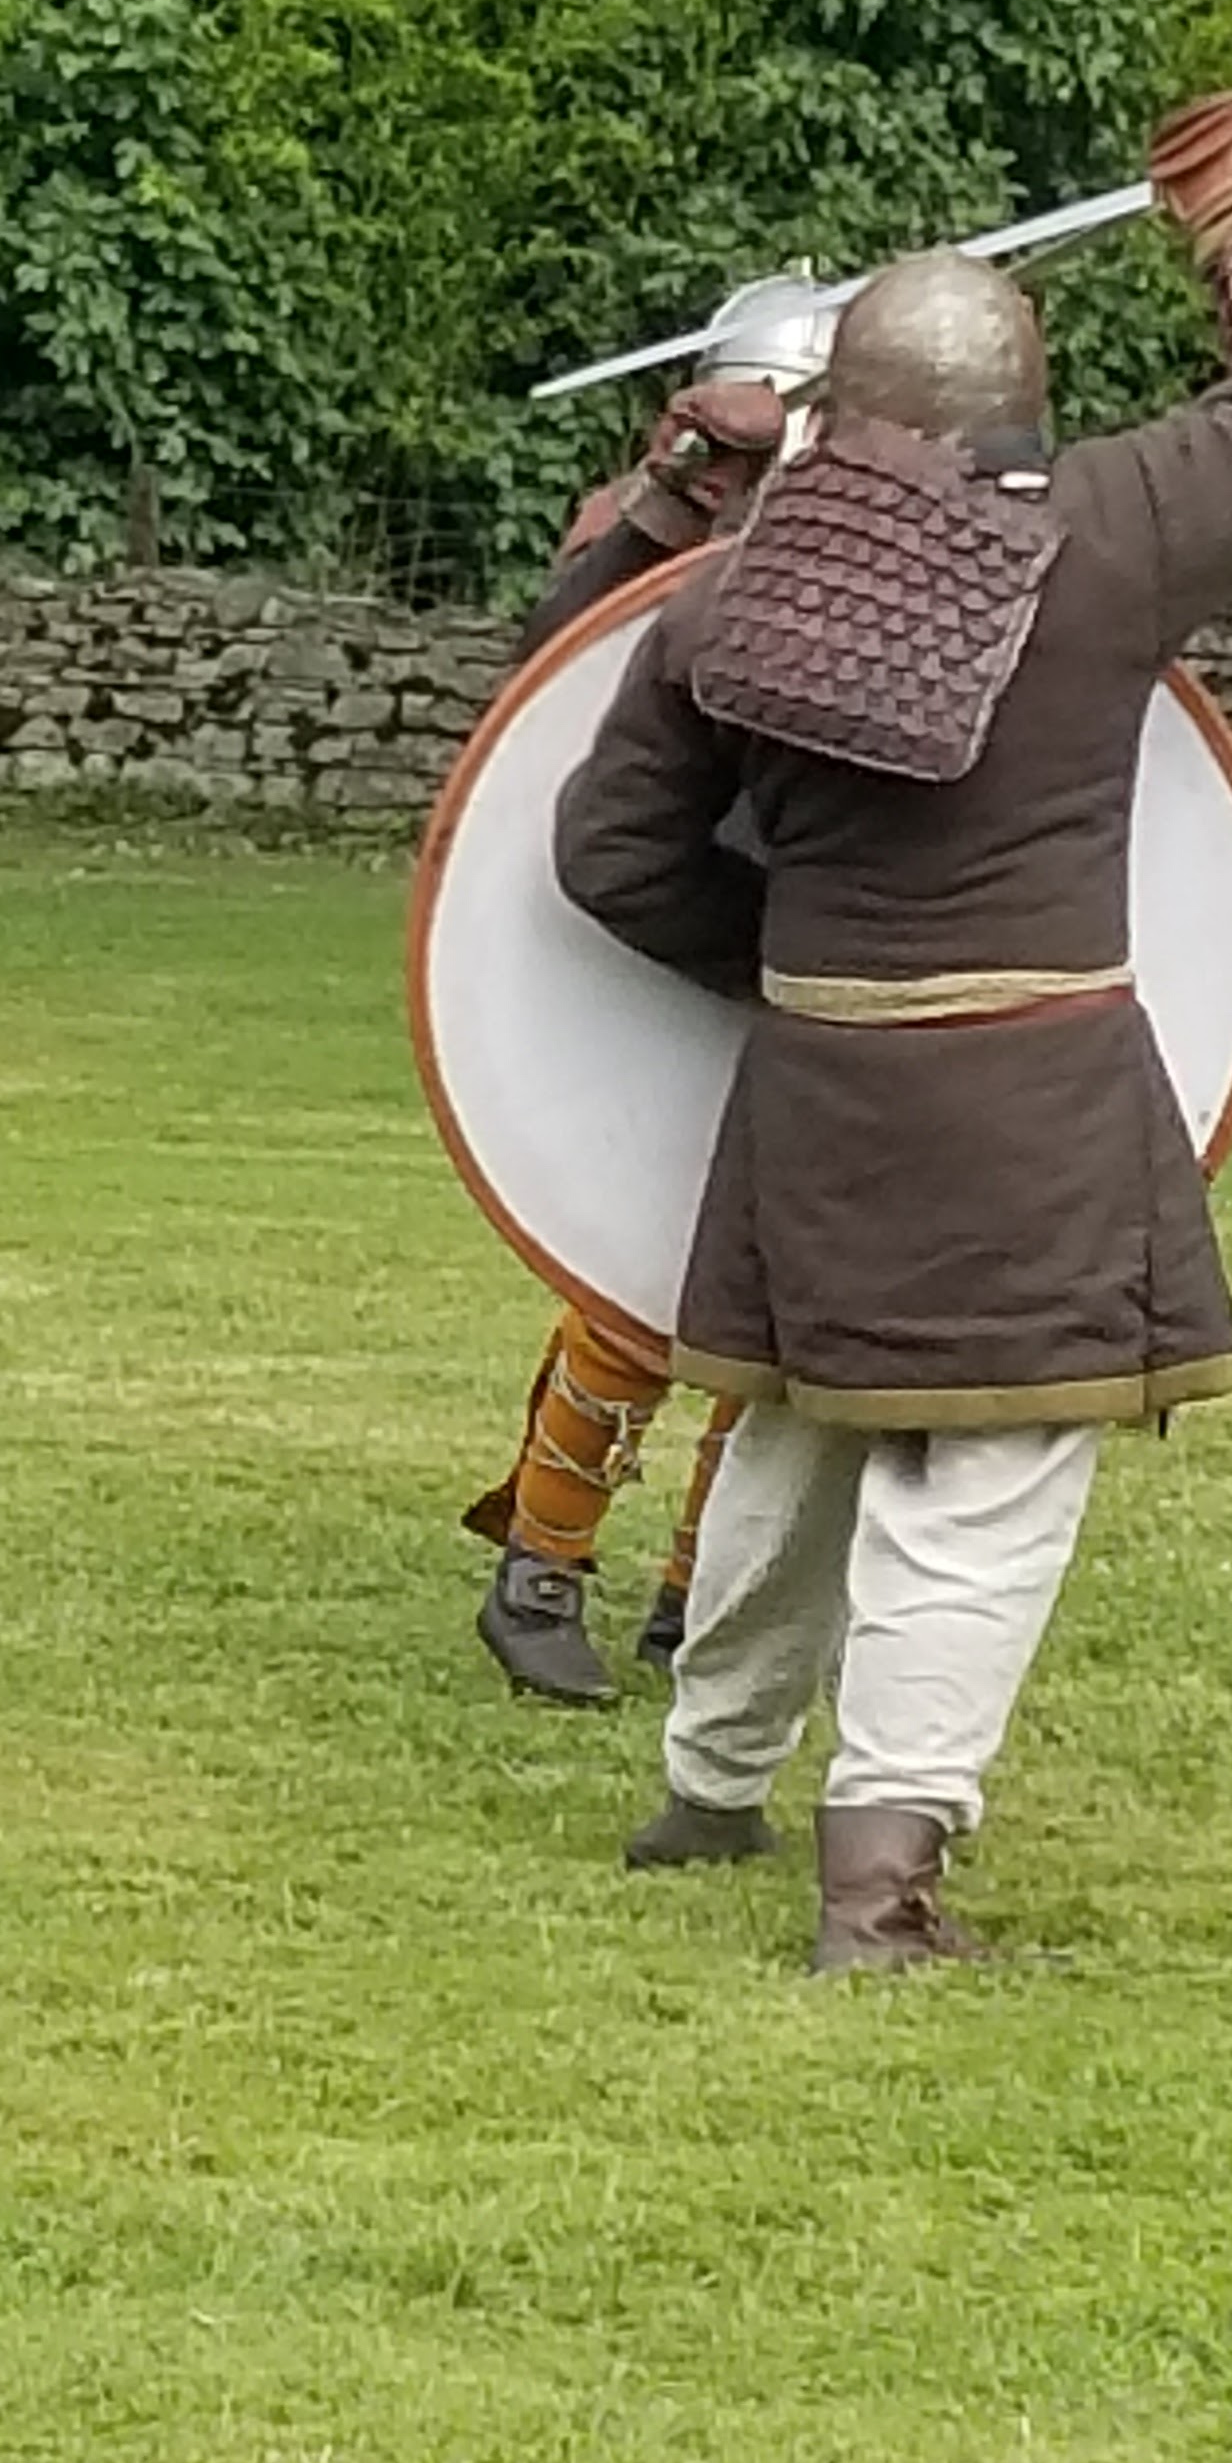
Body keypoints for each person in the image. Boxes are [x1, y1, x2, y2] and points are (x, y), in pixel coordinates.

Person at [555, 94, 1232, 1968]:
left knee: (792, 1436)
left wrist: (797, 963)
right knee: (982, 1482)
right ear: (1022, 404)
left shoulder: (729, 596)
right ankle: (875, 1893)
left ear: (836, 411)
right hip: (1029, 1103)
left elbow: (605, 851)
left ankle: (707, 1789)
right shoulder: (1109, 533)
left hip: (811, 1092)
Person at [467, 278, 830, 1709]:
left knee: (768, 1306)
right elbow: (550, 675)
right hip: (658, 934)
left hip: (811, 940)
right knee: (636, 1280)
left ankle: (700, 1592)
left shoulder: (874, 550)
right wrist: (670, 508)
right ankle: (540, 1571)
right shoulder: (650, 532)